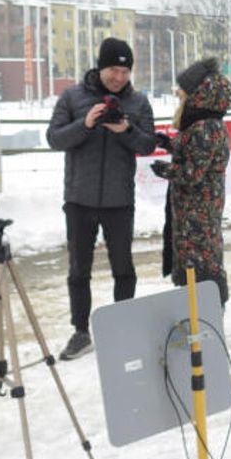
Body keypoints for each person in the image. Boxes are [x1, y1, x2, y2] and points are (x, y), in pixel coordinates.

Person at [46, 37, 156, 360]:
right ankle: (80, 332)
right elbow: (53, 138)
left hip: (119, 201)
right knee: (79, 269)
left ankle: (123, 327)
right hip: (79, 199)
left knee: (123, 267)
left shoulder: (138, 103)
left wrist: (126, 130)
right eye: (113, 69)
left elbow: (147, 145)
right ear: (100, 66)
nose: (118, 77)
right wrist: (87, 123)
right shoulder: (73, 97)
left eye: (124, 70)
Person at [152, 58, 231, 306]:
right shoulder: (204, 123)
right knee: (200, 268)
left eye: (184, 90)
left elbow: (193, 173)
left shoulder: (205, 127)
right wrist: (168, 143)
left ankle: (207, 318)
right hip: (197, 215)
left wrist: (166, 170)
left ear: (199, 94)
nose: (179, 94)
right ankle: (203, 315)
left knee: (201, 270)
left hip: (198, 218)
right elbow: (195, 154)